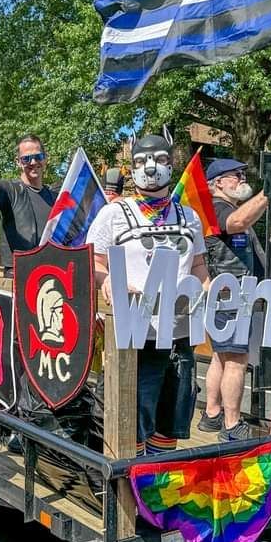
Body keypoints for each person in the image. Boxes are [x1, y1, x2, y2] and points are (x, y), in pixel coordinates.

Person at [89, 133, 211, 454]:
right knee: (134, 417)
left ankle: (159, 485)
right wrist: (107, 281)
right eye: (142, 161)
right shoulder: (114, 214)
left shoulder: (189, 217)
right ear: (132, 169)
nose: (151, 167)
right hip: (136, 336)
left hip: (180, 332)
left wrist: (211, 292)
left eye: (159, 158)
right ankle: (132, 486)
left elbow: (198, 266)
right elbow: (93, 262)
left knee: (172, 415)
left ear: (172, 164)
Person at [198, 157, 269, 441]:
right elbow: (239, 222)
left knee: (222, 356)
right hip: (229, 294)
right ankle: (232, 424)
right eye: (235, 175)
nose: (242, 178)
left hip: (229, 294)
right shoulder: (217, 208)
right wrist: (269, 192)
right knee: (237, 360)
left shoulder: (224, 207)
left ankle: (212, 414)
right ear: (218, 183)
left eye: (242, 173)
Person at [0, 110, 58, 276]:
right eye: (26, 159)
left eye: (38, 156)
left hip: (52, 273)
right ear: (18, 162)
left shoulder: (55, 196)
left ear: (45, 159)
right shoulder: (11, 190)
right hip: (19, 276)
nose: (33, 162)